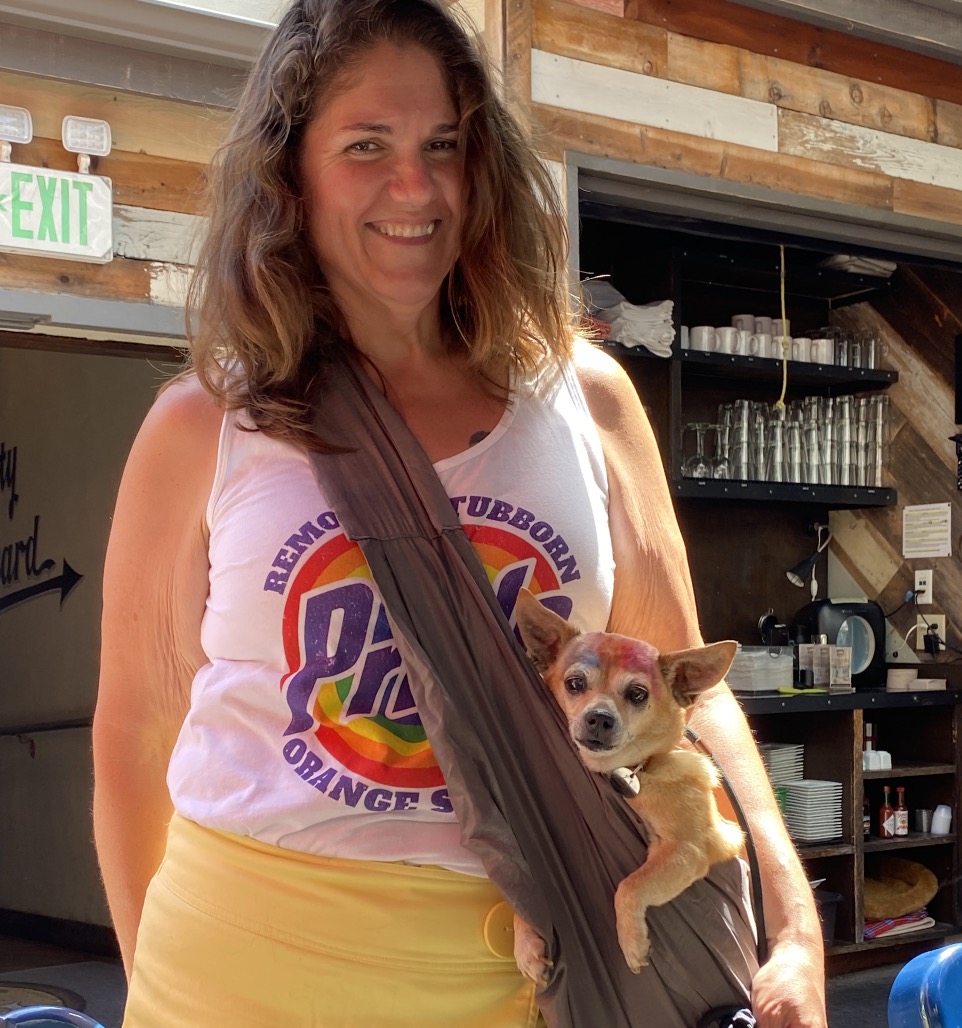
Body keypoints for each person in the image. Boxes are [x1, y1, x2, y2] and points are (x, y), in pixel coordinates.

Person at [92, 0, 828, 1023]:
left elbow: (687, 694)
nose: (415, 185)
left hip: (537, 967)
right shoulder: (204, 427)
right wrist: (150, 981)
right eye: (365, 146)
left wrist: (793, 928)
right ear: (288, 176)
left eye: (443, 143)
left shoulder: (590, 402)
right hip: (239, 973)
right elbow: (136, 736)